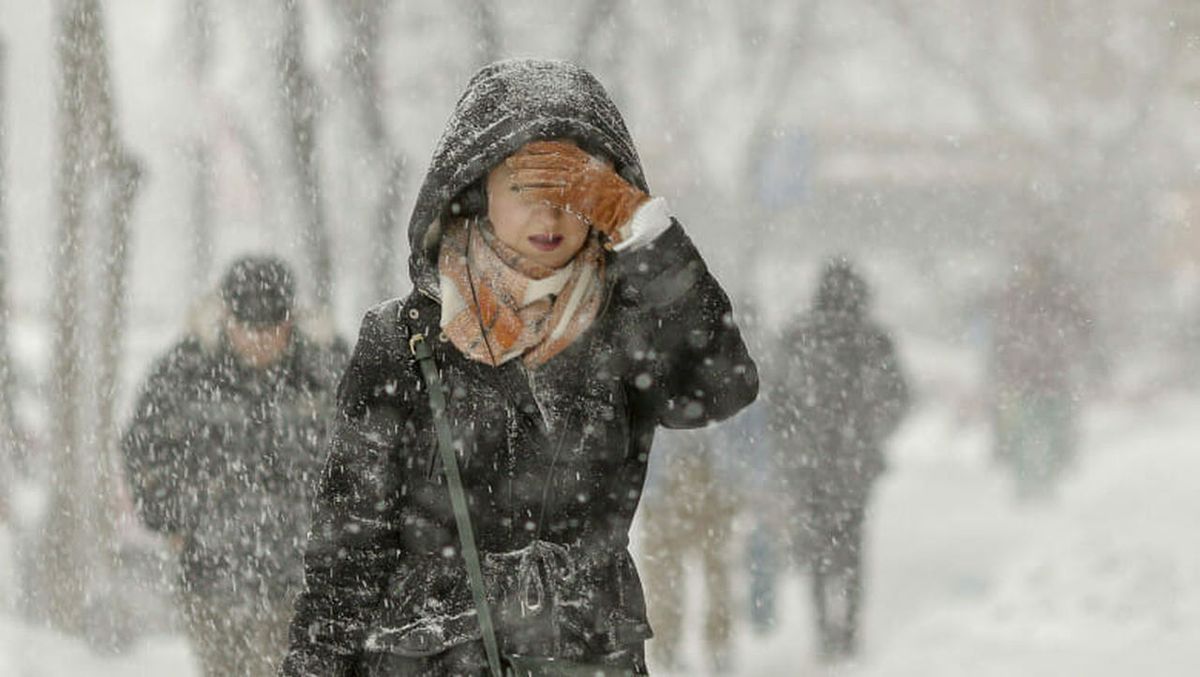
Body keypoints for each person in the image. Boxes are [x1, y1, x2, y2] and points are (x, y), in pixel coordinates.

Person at [281, 58, 759, 676]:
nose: (551, 217)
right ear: (476, 193)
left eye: (575, 193)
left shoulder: (624, 326)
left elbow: (722, 386)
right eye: (526, 188)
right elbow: (348, 551)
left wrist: (643, 230)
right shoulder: (402, 339)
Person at [122, 255, 346, 677]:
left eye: (271, 328)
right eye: (248, 327)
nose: (259, 340)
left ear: (290, 321)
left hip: (306, 582)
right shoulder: (185, 371)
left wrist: (343, 534)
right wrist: (173, 518)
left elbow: (370, 453)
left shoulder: (327, 370)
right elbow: (144, 448)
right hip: (213, 577)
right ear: (227, 319)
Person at [773, 257, 910, 662]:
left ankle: (823, 631)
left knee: (816, 544)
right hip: (854, 458)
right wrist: (874, 430)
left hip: (810, 458)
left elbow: (777, 396)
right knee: (851, 543)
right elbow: (899, 394)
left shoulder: (799, 335)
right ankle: (847, 630)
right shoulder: (872, 338)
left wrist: (790, 439)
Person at [987, 250, 1095, 501]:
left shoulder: (1058, 299)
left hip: (1050, 381)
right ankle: (1026, 486)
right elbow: (1001, 338)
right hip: (1025, 382)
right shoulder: (1017, 300)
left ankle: (1049, 483)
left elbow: (1084, 328)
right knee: (1022, 435)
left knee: (1053, 432)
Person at [639, 426, 740, 673]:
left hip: (711, 480)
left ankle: (717, 647)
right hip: (671, 483)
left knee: (716, 577)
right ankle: (668, 649)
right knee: (666, 577)